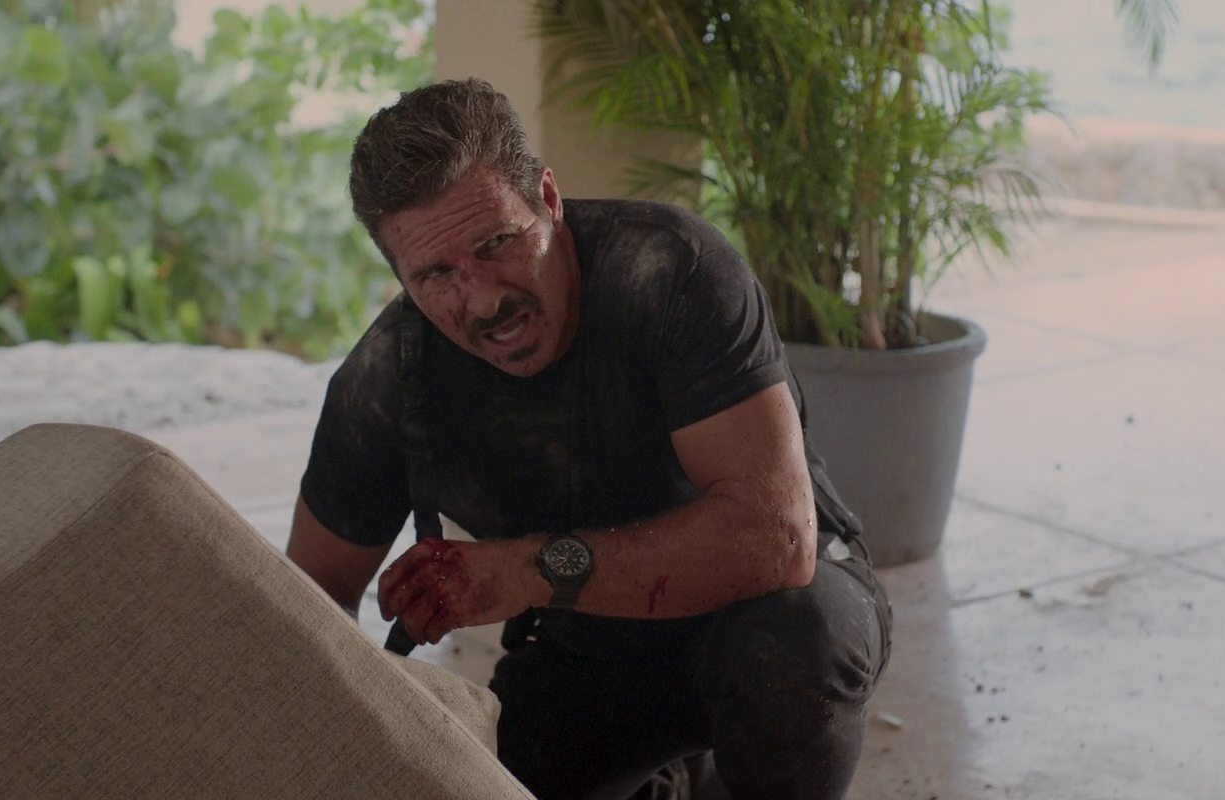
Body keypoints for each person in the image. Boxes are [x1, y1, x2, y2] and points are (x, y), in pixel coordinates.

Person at [287, 78, 891, 800]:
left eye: (497, 242)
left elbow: (777, 542)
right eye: (437, 276)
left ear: (547, 198)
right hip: (590, 647)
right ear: (403, 282)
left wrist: (524, 571)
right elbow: (303, 609)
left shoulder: (672, 271)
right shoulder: (384, 380)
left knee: (794, 643)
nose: (485, 299)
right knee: (476, 782)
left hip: (770, 608)